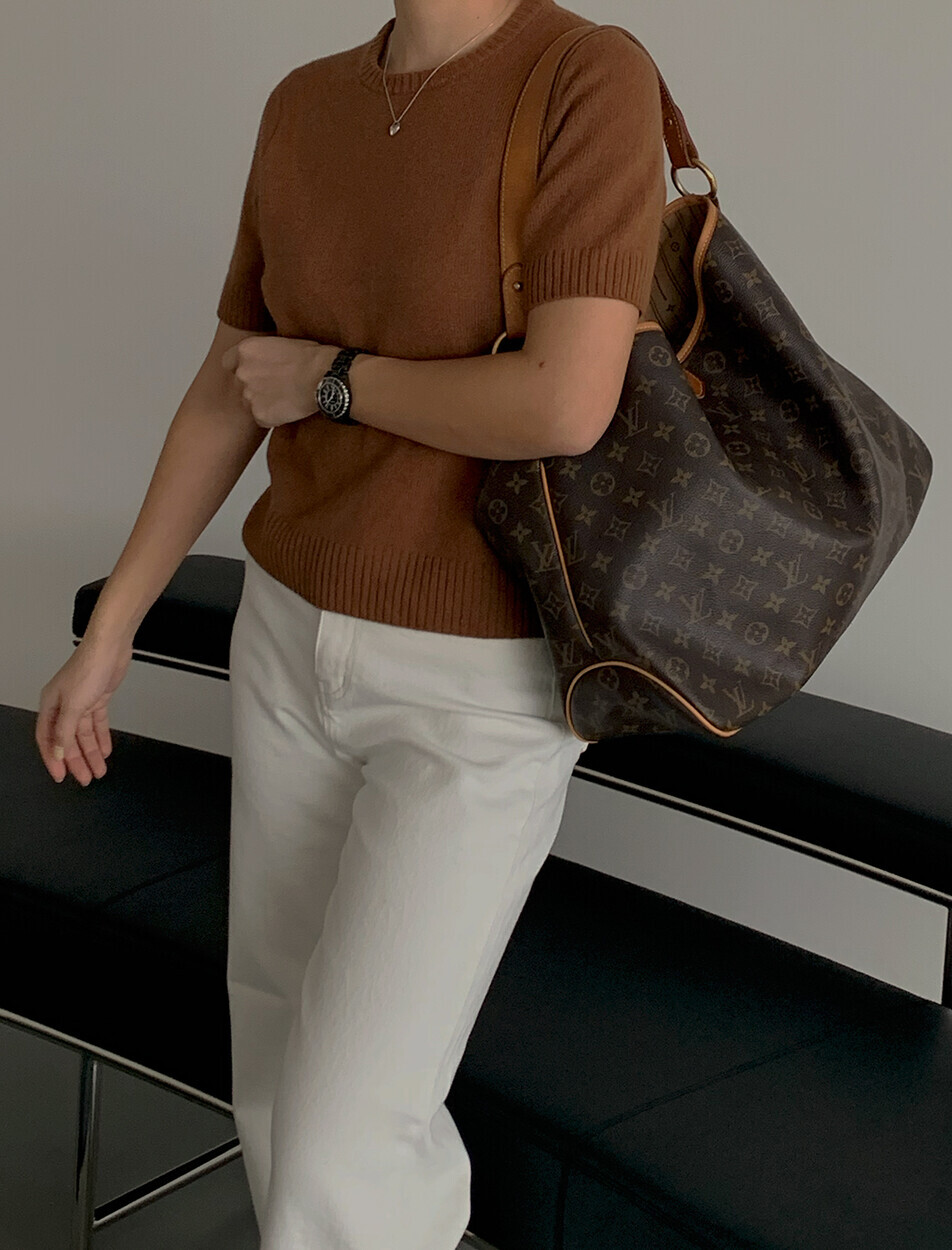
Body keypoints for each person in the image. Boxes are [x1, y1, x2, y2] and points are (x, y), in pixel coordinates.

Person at [35, 0, 667, 1245]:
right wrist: (113, 624)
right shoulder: (306, 102)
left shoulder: (585, 74)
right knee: (276, 1071)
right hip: (286, 635)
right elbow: (231, 384)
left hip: (478, 684)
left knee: (346, 1128)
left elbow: (565, 400)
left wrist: (334, 381)